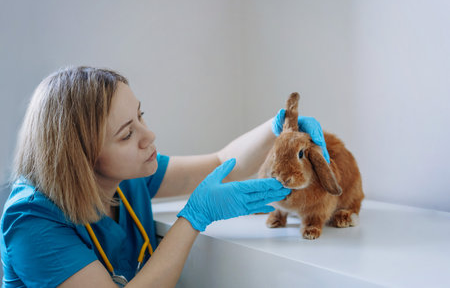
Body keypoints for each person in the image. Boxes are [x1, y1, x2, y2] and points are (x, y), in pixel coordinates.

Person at [0, 66, 329, 287]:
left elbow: (220, 161)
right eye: (127, 134)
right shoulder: (31, 220)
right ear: (81, 157)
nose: (150, 135)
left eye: (141, 115)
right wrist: (195, 217)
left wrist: (278, 126)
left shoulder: (127, 177)